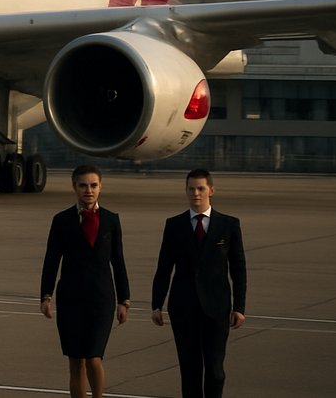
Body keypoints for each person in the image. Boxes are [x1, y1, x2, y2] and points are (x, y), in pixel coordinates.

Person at [151, 168, 247, 398]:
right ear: (186, 191)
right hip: (183, 307)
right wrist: (157, 303)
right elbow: (164, 267)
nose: (196, 193)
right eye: (191, 189)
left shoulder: (229, 225)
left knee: (215, 370)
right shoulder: (174, 225)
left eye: (201, 188)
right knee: (190, 369)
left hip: (217, 308)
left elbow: (238, 268)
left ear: (211, 190)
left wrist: (239, 307)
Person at [39, 165, 130, 398]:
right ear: (74, 187)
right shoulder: (61, 220)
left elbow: (118, 262)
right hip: (71, 298)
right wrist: (46, 295)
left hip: (101, 300)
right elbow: (51, 260)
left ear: (100, 187)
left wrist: (124, 300)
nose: (88, 190)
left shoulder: (111, 220)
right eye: (83, 185)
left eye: (93, 185)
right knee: (76, 361)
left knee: (93, 357)